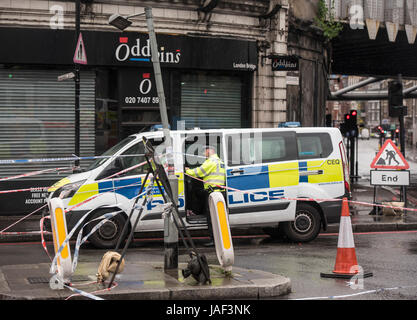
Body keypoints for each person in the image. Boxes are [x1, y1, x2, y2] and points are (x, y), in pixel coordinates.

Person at [185, 145, 226, 246]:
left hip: (213, 193)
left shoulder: (211, 162)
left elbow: (199, 172)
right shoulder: (220, 161)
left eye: (204, 152)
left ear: (209, 150)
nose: (204, 154)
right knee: (218, 218)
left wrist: (186, 170)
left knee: (212, 218)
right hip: (219, 192)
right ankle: (220, 240)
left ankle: (214, 240)